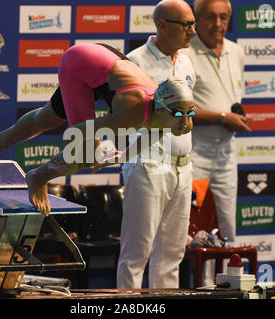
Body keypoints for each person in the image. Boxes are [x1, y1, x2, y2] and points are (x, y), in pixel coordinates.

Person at [0, 42, 195, 216]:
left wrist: (118, 156)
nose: (184, 121)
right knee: (85, 152)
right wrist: (94, 147)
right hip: (80, 63)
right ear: (161, 108)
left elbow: (152, 135)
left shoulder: (173, 115)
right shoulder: (133, 113)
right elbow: (78, 131)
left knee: (47, 118)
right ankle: (39, 177)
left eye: (189, 113)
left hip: (103, 61)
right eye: (178, 114)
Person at [117, 0, 196, 289]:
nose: (192, 32)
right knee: (136, 254)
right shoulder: (134, 63)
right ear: (162, 26)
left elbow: (187, 115)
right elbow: (125, 119)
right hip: (148, 166)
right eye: (186, 25)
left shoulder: (186, 61)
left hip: (183, 167)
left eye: (192, 24)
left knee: (172, 255)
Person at [182, 0, 251, 286]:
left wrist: (233, 115)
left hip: (226, 153)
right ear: (197, 19)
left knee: (228, 229)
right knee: (198, 233)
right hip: (195, 152)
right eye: (211, 17)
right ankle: (203, 289)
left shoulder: (236, 51)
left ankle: (229, 288)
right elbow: (182, 109)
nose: (218, 24)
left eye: (224, 17)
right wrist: (223, 117)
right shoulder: (186, 53)